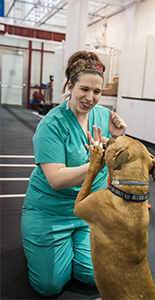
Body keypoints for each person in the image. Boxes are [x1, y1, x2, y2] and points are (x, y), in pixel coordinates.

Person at [21, 50, 127, 297]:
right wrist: (93, 165)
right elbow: (56, 179)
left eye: (97, 91)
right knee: (49, 286)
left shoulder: (103, 116)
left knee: (93, 276)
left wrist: (119, 136)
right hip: (50, 211)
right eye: (84, 89)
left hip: (87, 213)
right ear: (70, 85)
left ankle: (68, 248)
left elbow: (118, 156)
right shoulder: (51, 125)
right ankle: (39, 243)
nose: (91, 97)